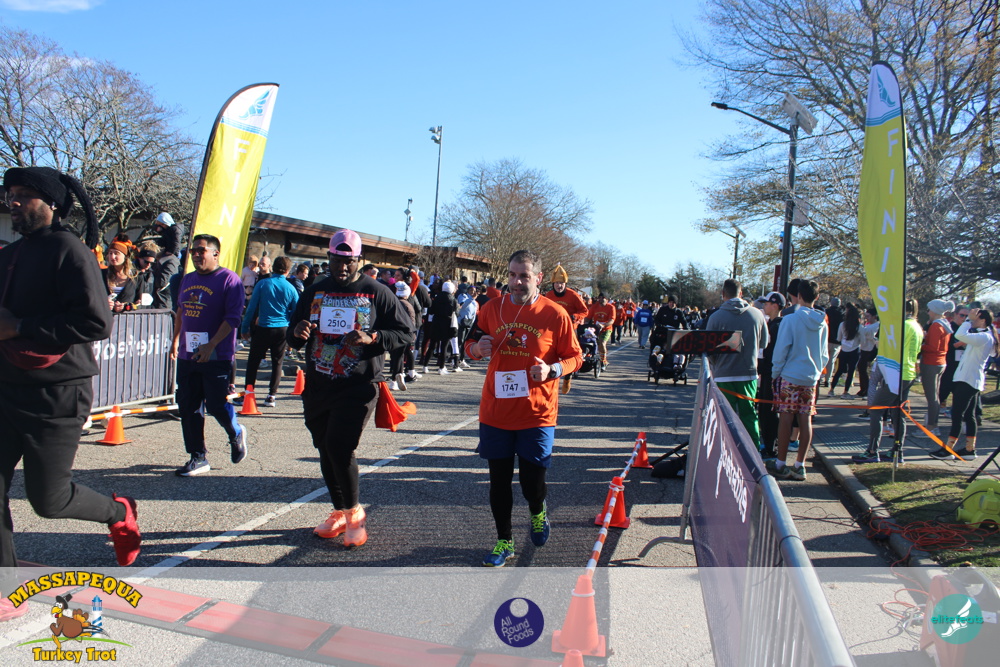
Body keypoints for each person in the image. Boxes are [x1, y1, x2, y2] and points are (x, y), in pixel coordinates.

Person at [0, 167, 141, 620]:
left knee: (49, 500)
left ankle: (118, 512)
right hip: (5, 386)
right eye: (10, 193)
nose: (13, 201)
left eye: (24, 194)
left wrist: (21, 327)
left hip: (56, 393)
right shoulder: (9, 255)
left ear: (53, 203)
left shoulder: (69, 249)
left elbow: (96, 322)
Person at [287, 229, 411, 547]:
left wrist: (374, 338)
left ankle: (355, 514)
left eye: (349, 261)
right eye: (337, 260)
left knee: (339, 447)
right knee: (325, 449)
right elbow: (294, 334)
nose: (342, 267)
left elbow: (405, 332)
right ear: (329, 257)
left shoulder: (377, 292)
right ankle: (340, 511)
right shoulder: (314, 291)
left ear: (358, 260)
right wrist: (296, 332)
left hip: (358, 385)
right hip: (318, 384)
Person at [464, 250, 582, 566]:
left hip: (537, 414)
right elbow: (469, 344)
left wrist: (552, 370)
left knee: (532, 483)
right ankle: (504, 541)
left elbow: (576, 357)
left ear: (539, 279)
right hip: (496, 411)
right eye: (513, 275)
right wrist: (476, 349)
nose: (517, 282)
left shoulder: (555, 314)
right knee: (499, 482)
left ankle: (537, 510)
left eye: (524, 276)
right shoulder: (491, 308)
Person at [171, 234, 248, 476]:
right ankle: (198, 456)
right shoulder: (187, 279)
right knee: (189, 406)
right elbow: (181, 311)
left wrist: (211, 345)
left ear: (215, 253)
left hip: (217, 355)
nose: (196, 254)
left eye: (201, 250)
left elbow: (232, 319)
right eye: (193, 251)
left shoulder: (229, 279)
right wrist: (175, 340)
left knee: (215, 404)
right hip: (188, 354)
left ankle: (235, 432)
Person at [769, 279, 829, 481]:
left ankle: (780, 462)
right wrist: (817, 372)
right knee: (806, 419)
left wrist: (775, 372)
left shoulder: (790, 320)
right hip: (810, 377)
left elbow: (781, 350)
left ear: (799, 296)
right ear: (817, 297)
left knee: (785, 418)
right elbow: (824, 354)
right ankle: (800, 464)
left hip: (790, 374)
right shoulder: (822, 323)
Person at [856, 299, 923, 464]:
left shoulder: (903, 326)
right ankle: (897, 451)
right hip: (907, 372)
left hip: (896, 372)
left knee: (876, 410)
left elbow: (891, 346)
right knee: (898, 413)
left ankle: (872, 451)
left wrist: (880, 343)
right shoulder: (916, 326)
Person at [930, 308, 1000, 461]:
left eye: (975, 318)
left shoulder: (984, 336)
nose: (972, 319)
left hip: (968, 380)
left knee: (957, 414)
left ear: (983, 320)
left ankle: (948, 449)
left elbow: (959, 334)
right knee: (969, 415)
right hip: (970, 379)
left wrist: (968, 320)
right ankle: (969, 449)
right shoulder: (983, 335)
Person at [706, 279, 768, 450]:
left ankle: (725, 451)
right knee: (749, 414)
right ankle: (753, 452)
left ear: (723, 294)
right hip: (748, 372)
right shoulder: (757, 315)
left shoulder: (715, 317)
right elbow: (764, 343)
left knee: (725, 416)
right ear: (741, 293)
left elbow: (708, 348)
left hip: (723, 373)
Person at [241, 255, 299, 407]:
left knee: (253, 361)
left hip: (263, 327)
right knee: (277, 362)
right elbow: (296, 312)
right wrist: (289, 324)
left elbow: (251, 307)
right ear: (287, 271)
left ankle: (249, 393)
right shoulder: (291, 288)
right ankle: (271, 395)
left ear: (273, 267)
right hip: (282, 328)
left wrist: (245, 327)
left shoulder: (263, 284)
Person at [918, 299, 954, 438]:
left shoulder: (936, 326)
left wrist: (919, 345)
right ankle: (933, 424)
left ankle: (932, 426)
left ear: (934, 310)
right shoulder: (945, 324)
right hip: (940, 362)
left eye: (929, 310)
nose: (928, 312)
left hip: (931, 363)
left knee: (932, 397)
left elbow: (933, 347)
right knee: (935, 397)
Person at [758, 292, 786, 459]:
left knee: (769, 411)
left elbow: (773, 352)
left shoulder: (779, 325)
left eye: (767, 303)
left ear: (775, 306)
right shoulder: (770, 323)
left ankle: (771, 447)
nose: (764, 306)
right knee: (763, 410)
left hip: (772, 373)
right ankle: (767, 444)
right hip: (766, 372)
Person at [828, 303, 863, 398]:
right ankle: (845, 392)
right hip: (854, 351)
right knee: (851, 372)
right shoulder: (859, 327)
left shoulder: (842, 325)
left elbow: (838, 338)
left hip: (844, 350)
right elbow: (862, 340)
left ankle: (831, 390)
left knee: (839, 371)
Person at [389, 281, 417, 391]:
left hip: (392, 332)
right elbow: (411, 322)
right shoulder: (408, 305)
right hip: (404, 333)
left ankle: (397, 375)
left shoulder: (392, 302)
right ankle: (396, 378)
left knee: (395, 356)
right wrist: (412, 336)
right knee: (400, 356)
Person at [150, 213, 181, 310]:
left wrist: (171, 252)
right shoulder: (167, 231)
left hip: (164, 303)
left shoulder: (175, 229)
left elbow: (176, 242)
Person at [102, 240, 140, 314]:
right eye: (110, 253)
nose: (112, 257)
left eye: (116, 253)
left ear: (125, 256)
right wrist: (103, 304)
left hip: (128, 319)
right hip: (105, 318)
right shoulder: (101, 274)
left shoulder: (136, 276)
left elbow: (143, 303)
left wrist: (128, 306)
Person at [588, 293, 616, 369]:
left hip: (606, 329)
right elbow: (588, 317)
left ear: (607, 299)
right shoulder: (595, 306)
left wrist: (604, 325)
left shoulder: (611, 307)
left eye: (603, 298)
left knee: (602, 343)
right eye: (599, 298)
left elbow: (612, 320)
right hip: (596, 329)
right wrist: (583, 323)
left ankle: (603, 361)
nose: (601, 299)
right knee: (593, 343)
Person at [821, 297, 844, 386]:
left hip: (826, 339)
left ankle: (821, 377)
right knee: (831, 361)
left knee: (823, 358)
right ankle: (827, 380)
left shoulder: (826, 312)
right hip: (837, 341)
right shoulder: (842, 314)